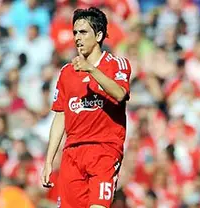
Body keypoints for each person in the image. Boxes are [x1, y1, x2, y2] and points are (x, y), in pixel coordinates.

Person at [41, 7, 132, 208]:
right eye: (75, 32)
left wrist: (92, 70)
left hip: (104, 150)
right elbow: (60, 117)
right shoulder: (66, 72)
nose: (77, 38)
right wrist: (49, 160)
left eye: (83, 32)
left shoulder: (117, 64)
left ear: (98, 35)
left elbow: (120, 94)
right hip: (72, 153)